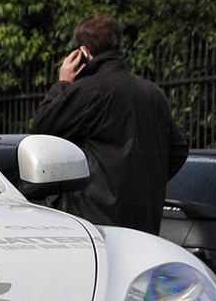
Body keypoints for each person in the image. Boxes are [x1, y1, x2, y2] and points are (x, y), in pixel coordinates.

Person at [31, 12, 188, 234]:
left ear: (84, 52)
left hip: (94, 219)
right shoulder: (153, 93)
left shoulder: (89, 90)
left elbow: (43, 127)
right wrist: (146, 183)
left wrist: (63, 82)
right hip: (144, 220)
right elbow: (178, 151)